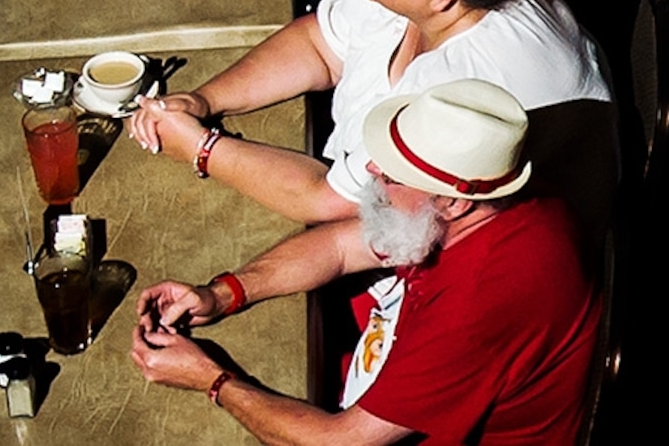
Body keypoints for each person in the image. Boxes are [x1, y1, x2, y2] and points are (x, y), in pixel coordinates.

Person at [126, 79, 603, 445]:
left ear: (454, 202)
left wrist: (211, 379)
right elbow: (339, 247)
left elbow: (342, 440)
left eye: (394, 174)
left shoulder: (476, 302)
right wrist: (223, 293)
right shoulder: (484, 202)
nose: (373, 170)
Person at [128, 0, 610, 225]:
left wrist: (201, 149)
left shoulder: (462, 85)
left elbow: (332, 201)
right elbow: (320, 43)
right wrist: (202, 101)